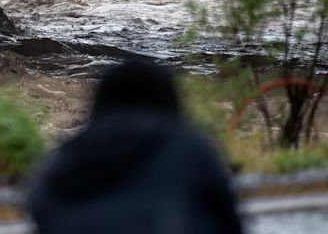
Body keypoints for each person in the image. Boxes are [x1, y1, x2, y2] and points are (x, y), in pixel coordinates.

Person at [28, 60, 243, 234]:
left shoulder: (62, 159)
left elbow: (40, 209)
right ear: (170, 103)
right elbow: (230, 221)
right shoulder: (188, 149)